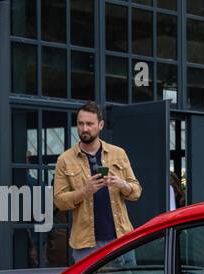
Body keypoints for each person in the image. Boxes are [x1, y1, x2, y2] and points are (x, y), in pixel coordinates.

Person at [53, 101, 142, 263]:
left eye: (89, 124)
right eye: (80, 124)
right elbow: (59, 201)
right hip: (86, 245)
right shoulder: (65, 160)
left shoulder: (118, 153)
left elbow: (136, 191)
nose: (84, 128)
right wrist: (84, 191)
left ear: (100, 125)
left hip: (121, 238)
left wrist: (122, 184)